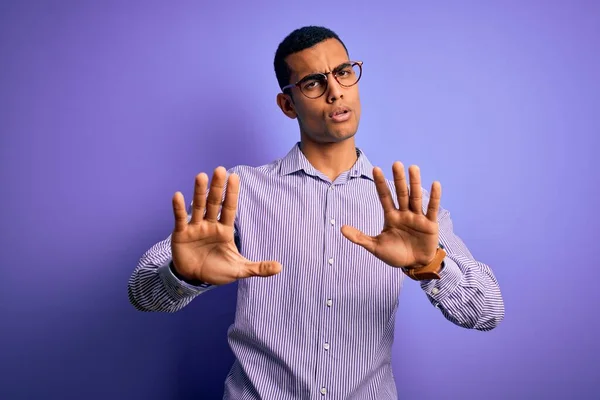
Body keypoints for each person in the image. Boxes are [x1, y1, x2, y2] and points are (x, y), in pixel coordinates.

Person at [128, 25, 505, 399]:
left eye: (343, 72)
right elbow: (142, 291)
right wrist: (183, 275)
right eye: (313, 82)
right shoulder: (240, 191)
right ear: (287, 104)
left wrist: (431, 265)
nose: (335, 91)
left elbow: (487, 310)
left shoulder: (408, 208)